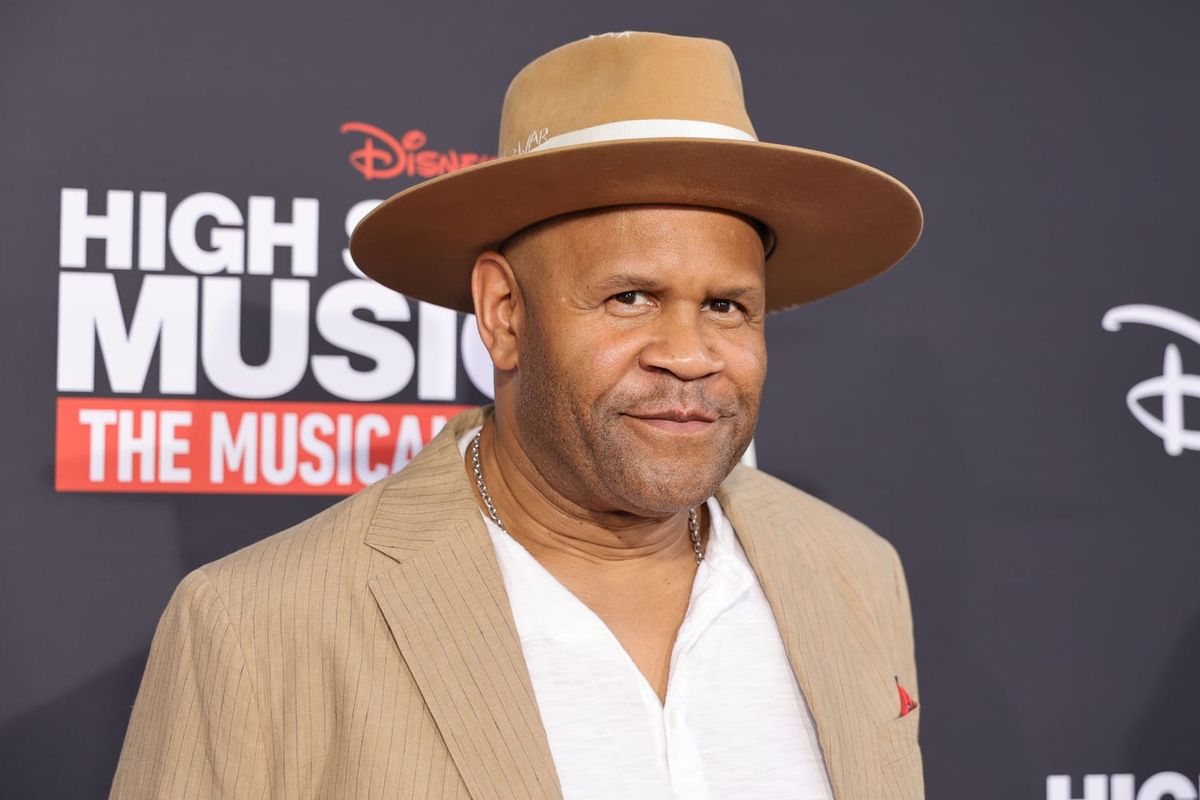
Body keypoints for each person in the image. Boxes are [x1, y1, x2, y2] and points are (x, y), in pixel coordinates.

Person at [110, 31, 924, 800]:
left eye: (726, 306)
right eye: (629, 297)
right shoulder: (257, 627)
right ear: (504, 313)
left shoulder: (854, 573)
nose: (689, 354)